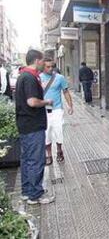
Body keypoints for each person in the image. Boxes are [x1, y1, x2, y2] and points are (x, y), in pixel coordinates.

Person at [15, 49, 55, 205]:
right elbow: (32, 102)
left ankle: (27, 192)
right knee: (36, 160)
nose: (44, 64)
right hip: (33, 125)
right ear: (37, 61)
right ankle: (35, 195)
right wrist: (47, 102)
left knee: (26, 160)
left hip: (25, 125)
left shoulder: (23, 76)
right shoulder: (30, 78)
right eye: (43, 61)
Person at [40, 58, 73, 165]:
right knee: (46, 133)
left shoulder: (60, 78)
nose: (50, 69)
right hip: (44, 110)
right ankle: (48, 155)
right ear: (43, 67)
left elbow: (66, 92)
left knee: (58, 131)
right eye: (47, 67)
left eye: (52, 66)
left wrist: (70, 106)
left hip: (57, 109)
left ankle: (59, 151)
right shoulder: (38, 78)